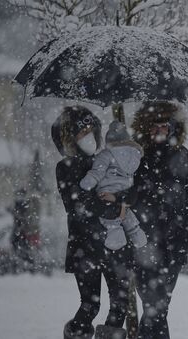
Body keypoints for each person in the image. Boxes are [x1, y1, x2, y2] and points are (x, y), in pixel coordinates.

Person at [52, 106, 133, 339]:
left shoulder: (106, 158)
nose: (87, 135)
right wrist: (116, 208)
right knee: (90, 306)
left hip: (114, 244)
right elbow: (79, 205)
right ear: (69, 138)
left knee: (119, 305)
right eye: (81, 132)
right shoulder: (65, 168)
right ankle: (76, 335)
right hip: (85, 247)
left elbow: (125, 189)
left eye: (90, 130)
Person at [130, 101, 188, 339]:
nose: (159, 131)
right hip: (143, 242)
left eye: (164, 126)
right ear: (145, 127)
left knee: (159, 307)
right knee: (155, 307)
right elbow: (127, 193)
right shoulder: (135, 156)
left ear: (173, 128)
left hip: (175, 243)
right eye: (154, 126)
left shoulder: (181, 155)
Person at [80, 120, 148, 251]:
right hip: (125, 194)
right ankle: (137, 235)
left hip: (107, 193)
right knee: (127, 216)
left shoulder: (106, 154)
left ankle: (116, 239)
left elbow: (97, 172)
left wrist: (86, 183)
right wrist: (122, 197)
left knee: (111, 220)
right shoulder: (135, 156)